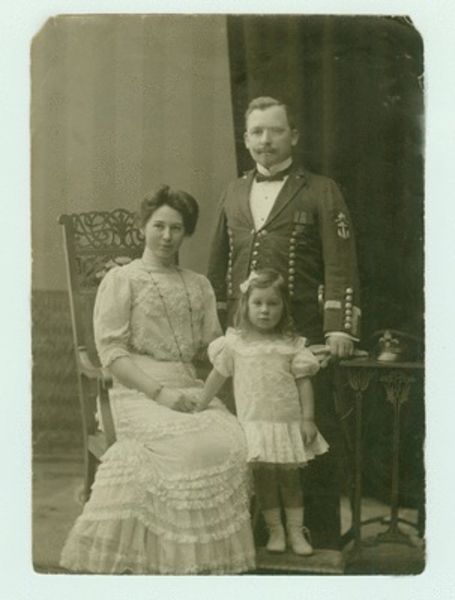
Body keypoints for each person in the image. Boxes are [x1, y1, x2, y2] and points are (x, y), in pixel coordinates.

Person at [60, 185, 256, 575]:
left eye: (176, 228)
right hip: (136, 390)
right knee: (185, 449)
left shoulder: (198, 284)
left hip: (190, 388)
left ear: (186, 233)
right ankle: (167, 556)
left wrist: (248, 345)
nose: (167, 236)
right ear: (143, 227)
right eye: (158, 226)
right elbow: (111, 353)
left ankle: (202, 556)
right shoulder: (122, 279)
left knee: (235, 441)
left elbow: (212, 346)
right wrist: (160, 394)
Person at [208, 96, 361, 549]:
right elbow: (218, 262)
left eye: (275, 131)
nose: (266, 140)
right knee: (251, 437)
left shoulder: (321, 189)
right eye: (257, 132)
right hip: (245, 338)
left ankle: (320, 539)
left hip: (302, 336)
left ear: (292, 135)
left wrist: (339, 326)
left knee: (309, 436)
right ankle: (255, 538)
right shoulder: (233, 191)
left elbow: (341, 261)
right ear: (245, 139)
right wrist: (216, 326)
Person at [196, 269, 328, 555]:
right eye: (258, 303)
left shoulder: (291, 345)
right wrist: (200, 404)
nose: (265, 310)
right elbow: (217, 377)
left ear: (283, 307)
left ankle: (296, 532)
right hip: (255, 425)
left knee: (291, 481)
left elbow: (304, 383)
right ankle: (275, 531)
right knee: (265, 481)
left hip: (286, 424)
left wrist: (307, 418)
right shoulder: (235, 344)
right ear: (246, 305)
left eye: (272, 303)